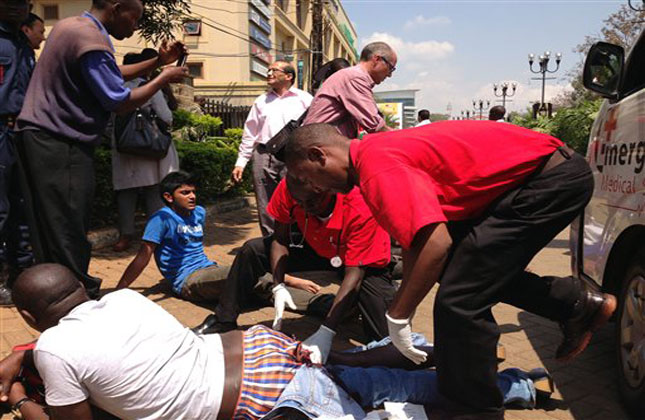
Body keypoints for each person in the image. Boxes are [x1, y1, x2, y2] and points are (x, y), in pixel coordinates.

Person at [283, 121, 617, 419]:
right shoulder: (374, 155)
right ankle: (575, 304)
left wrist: (398, 316)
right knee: (465, 274)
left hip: (548, 181)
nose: (313, 187)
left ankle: (475, 408)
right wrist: (402, 310)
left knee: (459, 301)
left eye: (304, 177)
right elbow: (418, 240)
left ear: (318, 155)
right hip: (543, 178)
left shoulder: (376, 167)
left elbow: (435, 244)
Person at [0, 263, 552, 420]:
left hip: (260, 399)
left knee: (383, 412)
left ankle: (501, 395)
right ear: (80, 287)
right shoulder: (123, 301)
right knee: (374, 380)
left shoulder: (54, 352)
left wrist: (21, 399)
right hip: (263, 350)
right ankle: (515, 386)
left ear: (27, 316)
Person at [15, 0, 187, 298]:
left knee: (52, 225)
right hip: (61, 142)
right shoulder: (91, 38)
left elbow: (111, 72)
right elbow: (119, 102)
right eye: (134, 19)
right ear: (117, 8)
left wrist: (157, 61)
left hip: (40, 138)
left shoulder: (72, 26)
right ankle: (76, 297)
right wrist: (163, 79)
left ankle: (54, 293)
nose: (135, 26)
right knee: (68, 227)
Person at [193, 174, 397, 364]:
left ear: (328, 191)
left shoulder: (359, 204)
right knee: (252, 250)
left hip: (362, 262)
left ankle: (363, 304)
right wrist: (278, 284)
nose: (306, 208)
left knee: (387, 343)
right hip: (319, 246)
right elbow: (280, 239)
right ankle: (223, 319)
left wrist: (326, 332)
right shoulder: (291, 187)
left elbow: (355, 272)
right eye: (300, 203)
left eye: (312, 202)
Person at [117, 171, 229, 303]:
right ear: (169, 197)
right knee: (240, 273)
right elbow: (143, 256)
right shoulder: (161, 219)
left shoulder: (199, 212)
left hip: (210, 268)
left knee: (252, 271)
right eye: (185, 193)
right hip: (187, 279)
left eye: (193, 192)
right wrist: (118, 291)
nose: (192, 196)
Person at [231, 60, 312, 237]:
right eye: (268, 70)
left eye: (274, 70)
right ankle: (270, 241)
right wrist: (241, 162)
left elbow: (313, 127)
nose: (269, 73)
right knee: (265, 200)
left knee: (296, 197)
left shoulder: (305, 99)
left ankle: (296, 240)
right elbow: (250, 132)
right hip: (263, 154)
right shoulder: (261, 101)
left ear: (289, 76)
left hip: (294, 155)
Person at [111, 50, 180, 252]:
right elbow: (167, 117)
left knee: (125, 192)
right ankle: (155, 237)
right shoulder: (149, 87)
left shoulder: (114, 87)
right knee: (152, 190)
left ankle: (125, 237)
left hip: (123, 147)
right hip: (148, 148)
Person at [0, 0, 35, 306]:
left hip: (20, 132)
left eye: (20, 1)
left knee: (21, 205)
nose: (14, 6)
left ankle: (21, 274)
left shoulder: (22, 42)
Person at [303, 42, 397, 138]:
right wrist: (401, 137)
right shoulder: (356, 78)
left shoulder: (354, 76)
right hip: (318, 143)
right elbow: (374, 124)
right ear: (377, 59)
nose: (389, 75)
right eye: (390, 68)